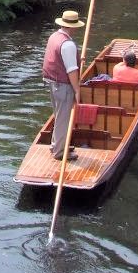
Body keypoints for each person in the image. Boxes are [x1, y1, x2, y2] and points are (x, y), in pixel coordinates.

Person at [43, 9, 86, 162]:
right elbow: (71, 70)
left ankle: (57, 145)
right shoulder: (68, 44)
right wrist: (77, 90)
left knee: (59, 116)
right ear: (73, 27)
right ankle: (59, 152)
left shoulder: (54, 36)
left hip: (53, 83)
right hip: (63, 86)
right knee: (63, 119)